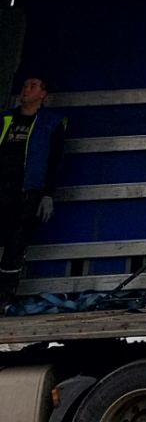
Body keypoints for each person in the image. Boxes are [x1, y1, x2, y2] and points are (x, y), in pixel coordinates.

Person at [0, 74, 66, 303]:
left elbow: (55, 160)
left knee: (16, 242)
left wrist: (47, 194)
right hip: (3, 185)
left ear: (43, 94)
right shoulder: (6, 118)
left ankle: (5, 295)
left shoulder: (51, 123)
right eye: (25, 85)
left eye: (33, 86)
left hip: (27, 189)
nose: (26, 89)